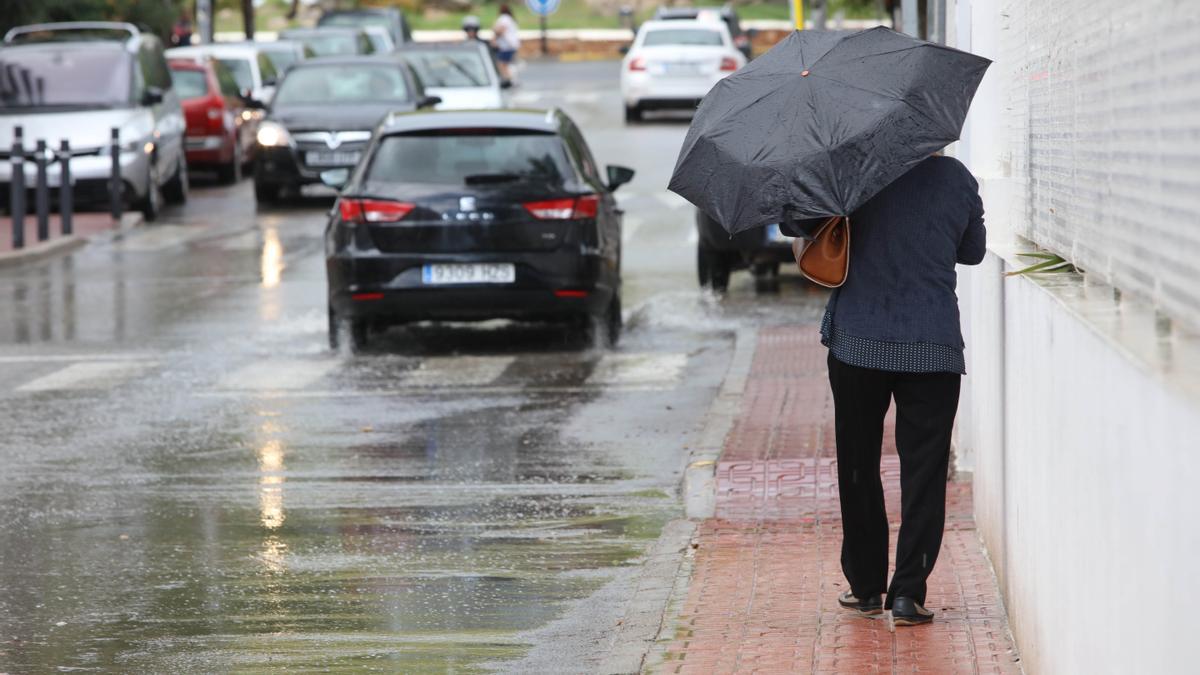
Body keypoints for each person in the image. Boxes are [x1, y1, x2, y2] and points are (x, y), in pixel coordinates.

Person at [815, 154, 985, 626]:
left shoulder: (852, 173)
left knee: (858, 463)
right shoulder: (956, 178)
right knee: (924, 472)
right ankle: (909, 593)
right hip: (932, 344)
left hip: (858, 344)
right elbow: (972, 251)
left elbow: (800, 224)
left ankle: (867, 587)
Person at [491, 4, 520, 86]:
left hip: (506, 46)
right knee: (507, 64)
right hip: (511, 45)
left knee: (502, 64)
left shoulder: (503, 18)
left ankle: (508, 80)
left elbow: (501, 30)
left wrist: (494, 33)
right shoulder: (510, 19)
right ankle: (510, 79)